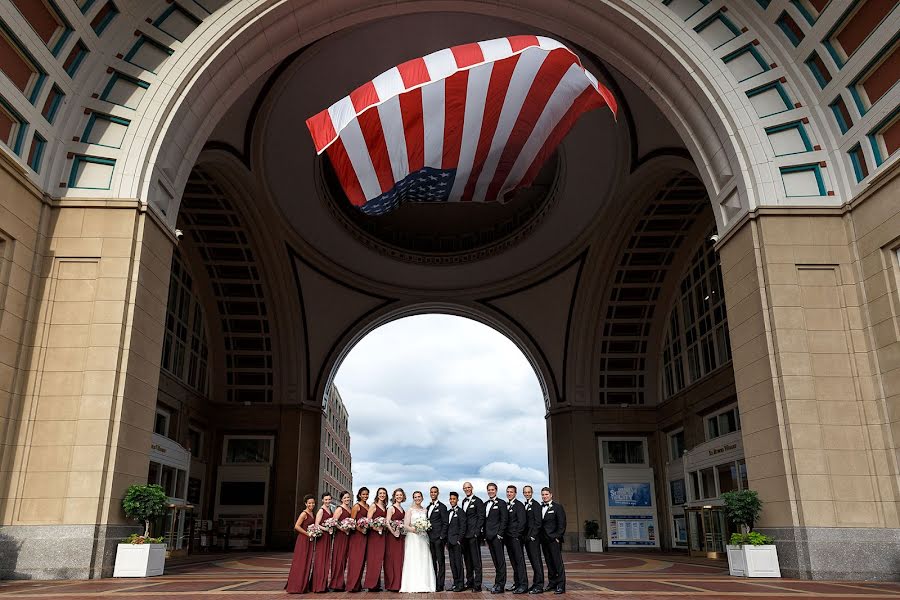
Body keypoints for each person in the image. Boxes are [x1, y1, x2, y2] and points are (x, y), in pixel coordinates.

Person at [399, 490, 437, 592]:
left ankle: (425, 583)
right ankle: (412, 584)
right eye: (415, 497)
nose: (417, 498)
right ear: (413, 499)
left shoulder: (425, 510)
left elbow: (427, 523)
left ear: (422, 498)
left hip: (423, 537)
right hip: (413, 538)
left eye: (419, 496)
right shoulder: (410, 510)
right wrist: (415, 530)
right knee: (414, 559)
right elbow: (406, 525)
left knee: (424, 558)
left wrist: (424, 527)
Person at [285, 494, 316, 594]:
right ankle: (296, 586)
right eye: (309, 503)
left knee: (307, 561)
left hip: (309, 540)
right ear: (305, 503)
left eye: (313, 503)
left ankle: (303, 585)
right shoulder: (304, 514)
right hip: (303, 540)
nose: (311, 504)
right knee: (301, 562)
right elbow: (297, 526)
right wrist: (308, 534)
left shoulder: (312, 513)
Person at [539, 487, 566, 594]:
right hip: (544, 540)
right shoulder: (540, 507)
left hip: (554, 540)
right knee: (549, 562)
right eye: (543, 494)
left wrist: (557, 537)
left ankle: (561, 585)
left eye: (546, 494)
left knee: (557, 563)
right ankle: (552, 583)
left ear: (551, 495)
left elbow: (562, 524)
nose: (544, 496)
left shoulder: (558, 507)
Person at [484, 482, 508, 594]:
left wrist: (500, 534)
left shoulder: (502, 503)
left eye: (492, 489)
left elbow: (504, 520)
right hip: (489, 537)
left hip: (497, 537)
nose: (490, 491)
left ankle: (501, 585)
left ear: (496, 490)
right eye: (489, 490)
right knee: (495, 561)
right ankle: (497, 582)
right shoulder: (485, 504)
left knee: (500, 561)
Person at [460, 481, 484, 592]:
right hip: (465, 535)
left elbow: (481, 518)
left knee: (476, 560)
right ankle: (470, 581)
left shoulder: (478, 501)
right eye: (465, 488)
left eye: (469, 487)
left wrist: (476, 532)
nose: (467, 489)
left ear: (472, 488)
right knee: (468, 560)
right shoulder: (464, 501)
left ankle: (477, 584)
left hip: (473, 535)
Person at [363, 487, 389, 591]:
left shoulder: (385, 506)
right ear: (377, 495)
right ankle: (371, 585)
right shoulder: (373, 506)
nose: (382, 495)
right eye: (380, 493)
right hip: (374, 536)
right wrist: (376, 527)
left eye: (384, 493)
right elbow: (368, 521)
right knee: (373, 559)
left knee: (379, 560)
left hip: (382, 536)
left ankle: (376, 584)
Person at [344, 487, 370, 593]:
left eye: (367, 494)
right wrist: (360, 530)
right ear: (359, 495)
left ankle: (358, 584)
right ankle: (352, 585)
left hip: (366, 536)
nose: (365, 496)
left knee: (362, 561)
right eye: (363, 494)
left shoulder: (368, 506)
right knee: (355, 560)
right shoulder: (356, 506)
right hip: (357, 537)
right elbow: (352, 522)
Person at [505, 485, 528, 594]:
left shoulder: (519, 505)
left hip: (516, 538)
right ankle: (517, 583)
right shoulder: (506, 505)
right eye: (508, 492)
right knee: (513, 562)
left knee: (520, 561)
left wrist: (517, 535)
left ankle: (523, 585)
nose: (509, 494)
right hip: (508, 538)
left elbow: (522, 522)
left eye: (511, 492)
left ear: (515, 493)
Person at [425, 486, 449, 591]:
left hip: (439, 539)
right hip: (430, 538)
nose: (433, 494)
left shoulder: (442, 507)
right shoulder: (428, 507)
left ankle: (440, 584)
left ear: (438, 493)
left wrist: (442, 537)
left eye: (435, 492)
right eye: (431, 492)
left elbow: (445, 523)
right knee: (432, 561)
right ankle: (433, 582)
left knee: (441, 561)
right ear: (430, 493)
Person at [522, 485, 545, 594]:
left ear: (532, 493)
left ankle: (539, 585)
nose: (527, 494)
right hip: (527, 538)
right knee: (532, 561)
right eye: (525, 492)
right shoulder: (525, 505)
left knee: (537, 561)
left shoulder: (536, 505)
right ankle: (535, 583)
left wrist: (532, 536)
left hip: (533, 538)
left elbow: (538, 522)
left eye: (528, 492)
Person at [329, 490, 353, 591]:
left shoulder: (351, 509)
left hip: (348, 537)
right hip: (340, 537)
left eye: (348, 497)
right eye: (345, 498)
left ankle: (341, 582)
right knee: (338, 559)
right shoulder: (339, 508)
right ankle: (335, 584)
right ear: (341, 499)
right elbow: (333, 522)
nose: (347, 499)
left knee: (344, 560)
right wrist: (342, 528)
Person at [384, 488, 406, 592]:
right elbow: (387, 522)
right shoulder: (391, 508)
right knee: (392, 559)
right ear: (394, 496)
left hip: (401, 537)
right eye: (397, 495)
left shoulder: (402, 509)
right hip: (392, 537)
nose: (399, 497)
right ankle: (392, 584)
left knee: (399, 560)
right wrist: (394, 532)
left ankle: (399, 583)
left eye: (400, 495)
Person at [311, 492, 333, 593]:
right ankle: (318, 586)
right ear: (322, 500)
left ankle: (323, 585)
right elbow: (316, 524)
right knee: (320, 560)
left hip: (328, 538)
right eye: (326, 500)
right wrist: (326, 529)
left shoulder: (330, 509)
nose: (328, 501)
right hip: (322, 538)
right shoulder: (321, 510)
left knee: (326, 561)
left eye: (329, 499)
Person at [445, 492, 465, 592]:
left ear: (457, 500)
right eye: (451, 499)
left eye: (454, 499)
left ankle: (460, 584)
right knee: (452, 564)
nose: (452, 500)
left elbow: (463, 527)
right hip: (449, 542)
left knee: (458, 563)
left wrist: (459, 540)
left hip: (457, 542)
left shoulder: (461, 512)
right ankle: (455, 583)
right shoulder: (448, 512)